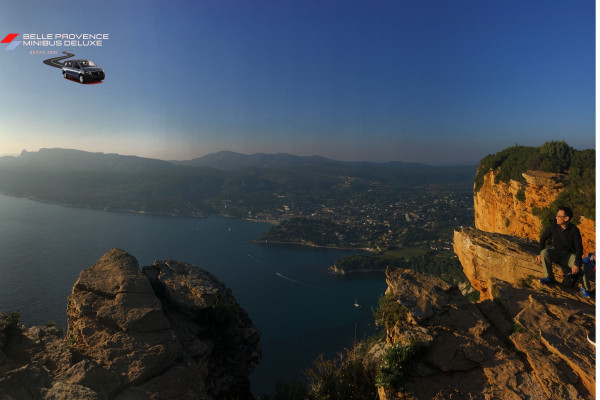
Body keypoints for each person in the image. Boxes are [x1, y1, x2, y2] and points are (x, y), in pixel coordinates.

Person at [536, 206, 591, 298]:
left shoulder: (574, 230)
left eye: (558, 216)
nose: (556, 218)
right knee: (544, 252)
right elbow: (543, 238)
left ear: (566, 218)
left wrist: (576, 264)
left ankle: (585, 289)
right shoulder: (553, 226)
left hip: (569, 256)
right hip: (556, 252)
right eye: (556, 215)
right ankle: (549, 277)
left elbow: (579, 248)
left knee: (582, 266)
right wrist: (540, 253)